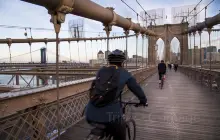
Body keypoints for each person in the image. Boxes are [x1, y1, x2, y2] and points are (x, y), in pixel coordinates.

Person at [85, 49, 147, 140]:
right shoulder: (125, 73)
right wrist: (143, 100)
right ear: (122, 62)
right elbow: (136, 89)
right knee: (120, 134)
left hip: (89, 113)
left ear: (109, 60)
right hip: (111, 117)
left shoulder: (101, 70)